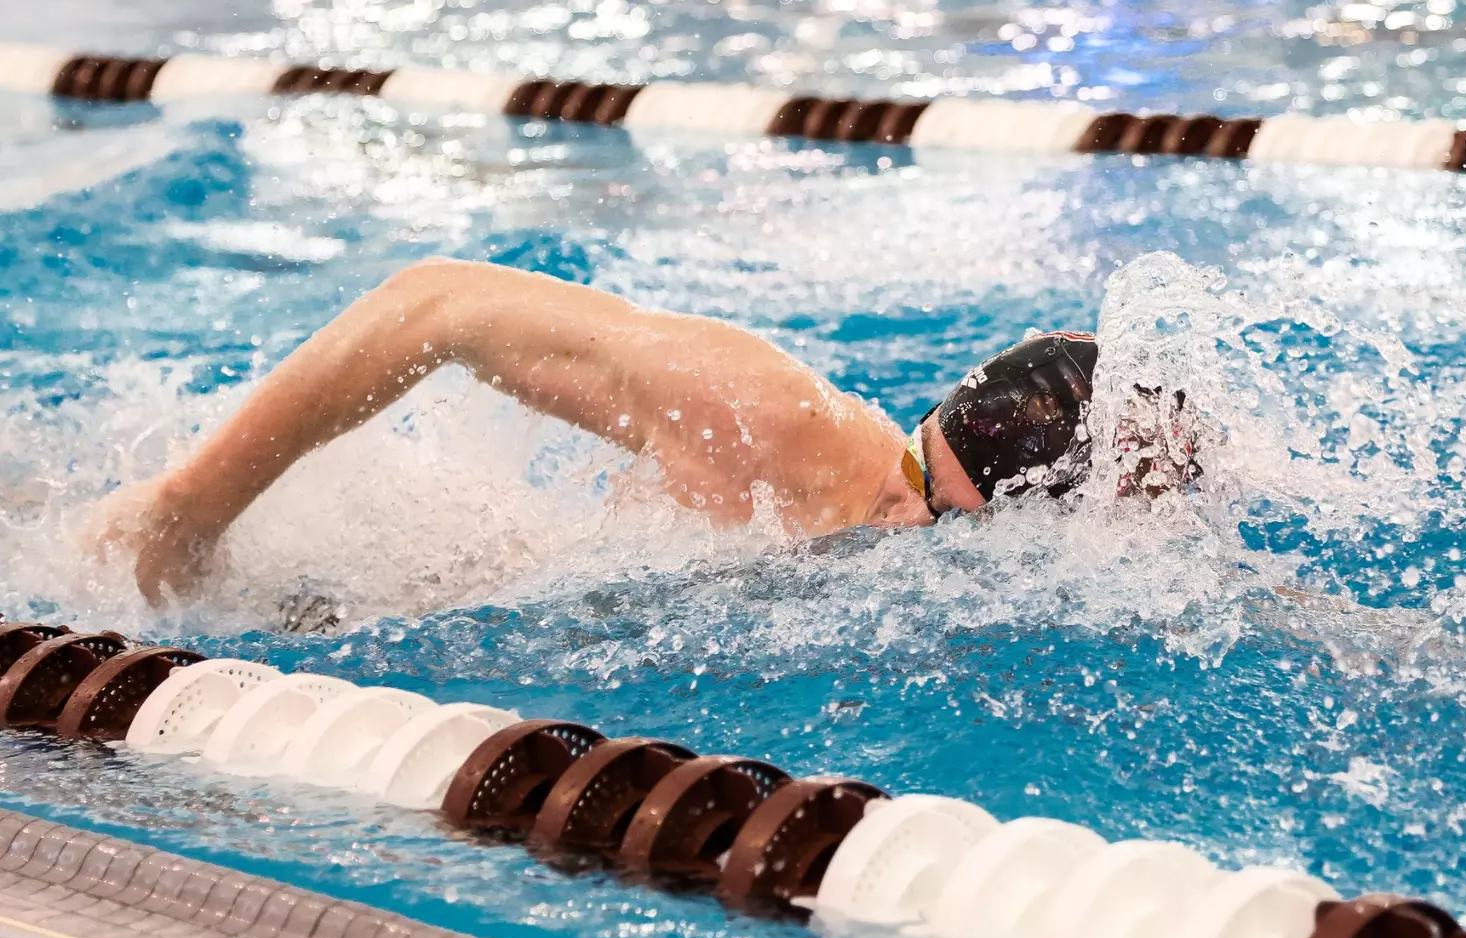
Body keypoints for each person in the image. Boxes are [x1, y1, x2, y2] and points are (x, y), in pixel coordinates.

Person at [106, 258, 1199, 605]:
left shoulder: (929, 549)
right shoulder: (770, 420)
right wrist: (189, 506)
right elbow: (436, 301)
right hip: (360, 580)